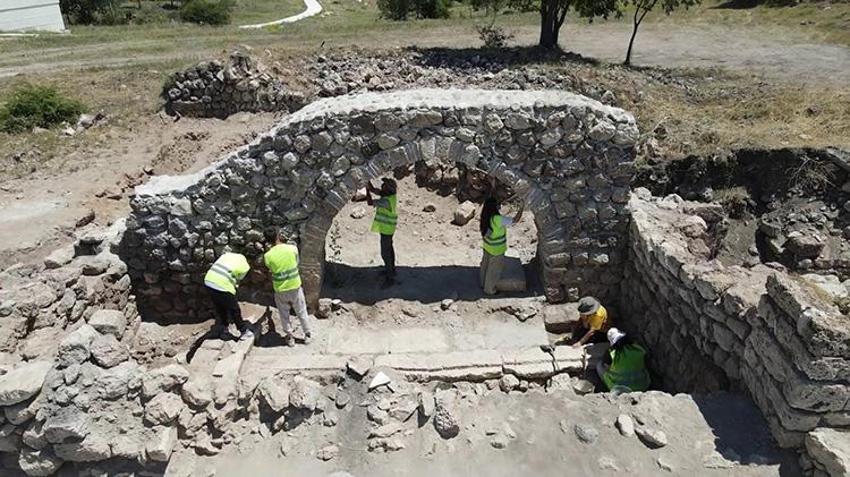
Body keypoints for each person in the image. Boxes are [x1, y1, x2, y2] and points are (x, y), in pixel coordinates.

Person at [263, 230, 313, 347]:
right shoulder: (292, 249)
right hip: (295, 285)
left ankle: (290, 338)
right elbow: (297, 263)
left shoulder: (267, 256)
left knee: (284, 314)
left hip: (280, 289)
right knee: (301, 311)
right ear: (278, 236)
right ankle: (307, 334)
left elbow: (270, 269)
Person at [203, 251, 253, 341]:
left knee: (220, 307)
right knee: (234, 309)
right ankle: (244, 331)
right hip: (222, 285)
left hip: (208, 281)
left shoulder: (227, 255)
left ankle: (224, 329)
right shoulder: (245, 266)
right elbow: (238, 279)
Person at [479, 198, 523, 295]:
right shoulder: (497, 219)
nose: (499, 206)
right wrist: (521, 209)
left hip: (487, 246)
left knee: (485, 266)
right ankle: (489, 290)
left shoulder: (485, 216)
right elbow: (515, 220)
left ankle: (483, 283)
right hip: (497, 249)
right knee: (493, 270)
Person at [596, 328, 650, 392]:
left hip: (619, 388)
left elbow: (605, 365)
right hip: (642, 386)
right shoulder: (638, 348)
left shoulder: (611, 353)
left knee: (599, 365)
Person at [366, 178, 398, 288]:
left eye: (384, 185)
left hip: (386, 230)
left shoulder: (386, 201)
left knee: (385, 253)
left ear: (388, 189)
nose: (382, 186)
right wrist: (367, 183)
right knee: (390, 250)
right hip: (388, 228)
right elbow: (374, 190)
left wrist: (366, 191)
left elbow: (370, 202)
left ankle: (390, 278)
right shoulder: (389, 196)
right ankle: (391, 270)